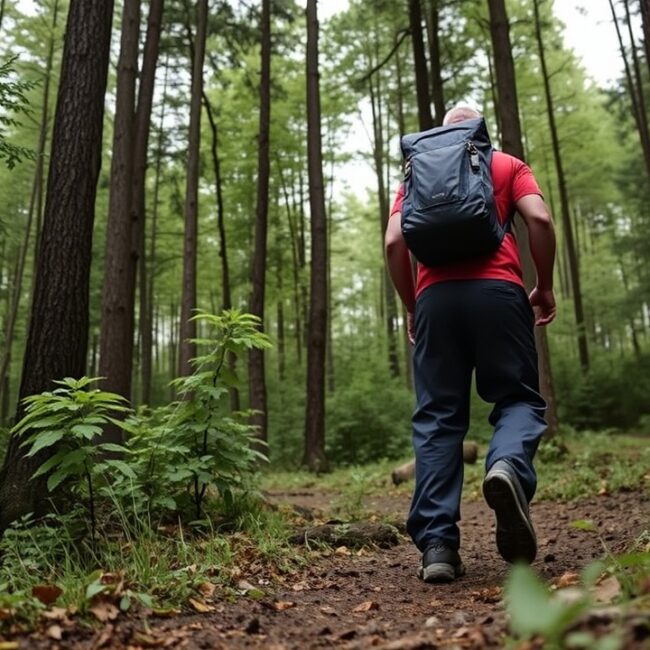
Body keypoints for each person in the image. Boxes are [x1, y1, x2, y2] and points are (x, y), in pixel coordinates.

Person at [385, 104, 557, 583]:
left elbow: (395, 243)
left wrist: (412, 305)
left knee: (439, 417)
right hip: (500, 294)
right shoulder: (505, 164)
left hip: (435, 299)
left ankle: (438, 547)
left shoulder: (416, 171)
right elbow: (539, 220)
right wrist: (543, 284)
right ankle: (506, 467)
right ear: (480, 131)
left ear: (442, 134)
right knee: (518, 397)